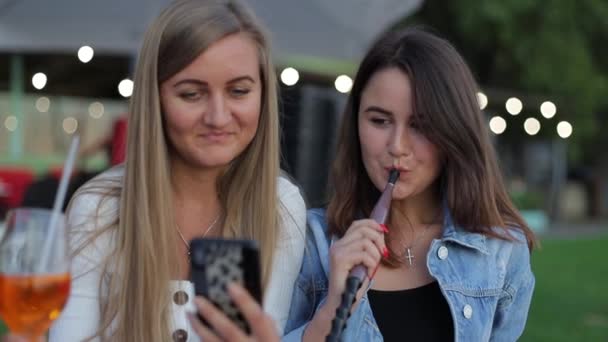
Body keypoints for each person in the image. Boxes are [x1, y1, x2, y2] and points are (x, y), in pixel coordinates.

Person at [48, 0, 306, 341]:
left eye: (239, 91)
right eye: (191, 94)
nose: (217, 116)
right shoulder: (102, 208)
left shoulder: (278, 205)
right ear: (154, 100)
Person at [283, 27, 536, 341]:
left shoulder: (502, 251)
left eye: (420, 125)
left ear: (453, 131)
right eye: (379, 120)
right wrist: (335, 305)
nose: (397, 146)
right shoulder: (311, 242)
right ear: (355, 124)